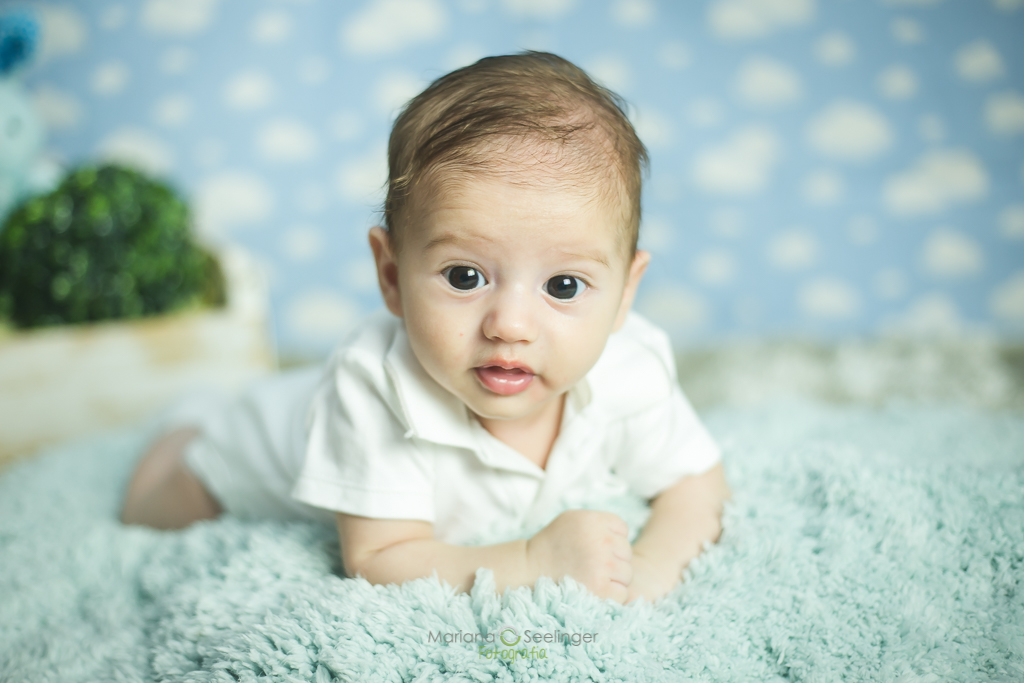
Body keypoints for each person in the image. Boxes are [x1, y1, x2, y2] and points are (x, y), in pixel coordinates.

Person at [120, 51, 731, 604]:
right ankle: (182, 432)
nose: (511, 325)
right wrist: (529, 560)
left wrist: (651, 569)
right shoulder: (372, 391)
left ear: (626, 292)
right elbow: (381, 556)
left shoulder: (633, 371)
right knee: (152, 509)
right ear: (391, 275)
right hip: (253, 443)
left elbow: (697, 485)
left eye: (563, 286)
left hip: (300, 402)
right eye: (465, 277)